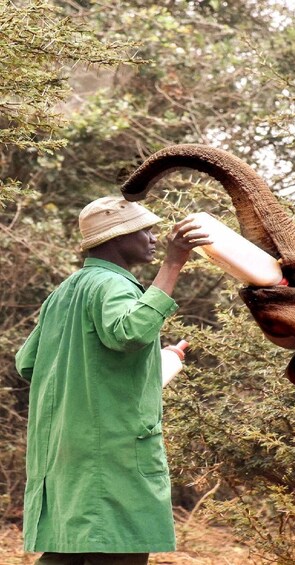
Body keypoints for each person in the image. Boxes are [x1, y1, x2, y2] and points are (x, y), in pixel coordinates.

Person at [15, 196, 211, 565]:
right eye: (145, 231)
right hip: (113, 450)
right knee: (120, 547)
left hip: (65, 449)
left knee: (68, 552)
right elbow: (131, 334)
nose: (154, 238)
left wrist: (158, 360)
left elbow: (29, 363)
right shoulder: (114, 286)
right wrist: (173, 263)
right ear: (116, 237)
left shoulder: (65, 292)